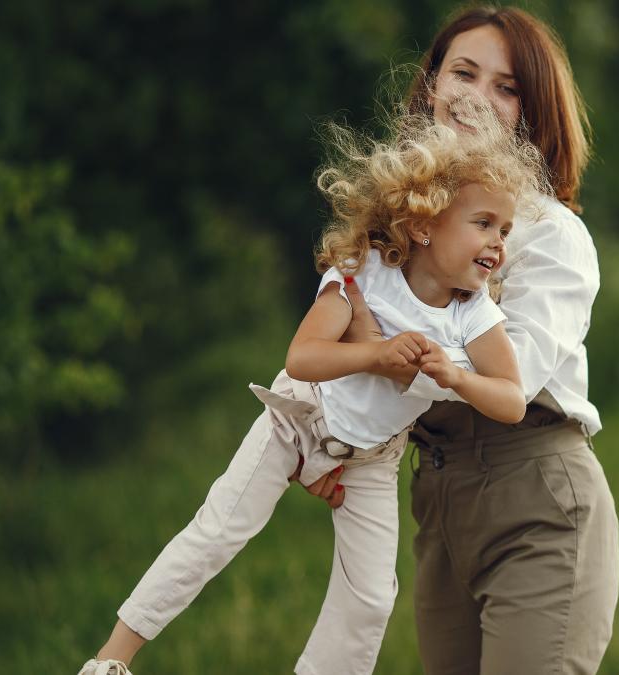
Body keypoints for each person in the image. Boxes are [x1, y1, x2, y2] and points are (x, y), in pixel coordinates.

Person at [76, 103, 547, 675]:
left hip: (371, 460)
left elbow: (511, 400)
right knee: (219, 530)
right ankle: (111, 659)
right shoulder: (362, 272)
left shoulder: (473, 316)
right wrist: (376, 354)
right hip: (298, 419)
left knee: (371, 597)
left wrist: (455, 375)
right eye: (483, 224)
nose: (498, 243)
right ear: (423, 223)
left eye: (504, 229)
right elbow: (302, 358)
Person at [307, 7, 619, 674]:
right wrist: (331, 439)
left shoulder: (549, 233)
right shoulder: (404, 229)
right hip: (440, 496)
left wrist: (380, 352)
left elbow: (513, 382)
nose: (478, 97)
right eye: (464, 73)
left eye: (507, 88)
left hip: (535, 491)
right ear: (430, 88)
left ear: (533, 114)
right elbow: (352, 355)